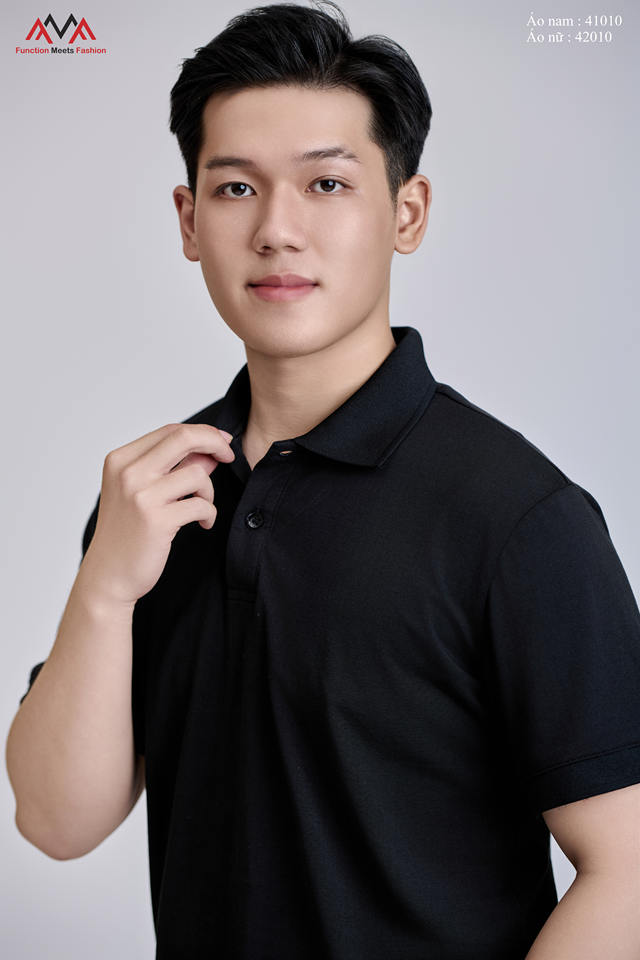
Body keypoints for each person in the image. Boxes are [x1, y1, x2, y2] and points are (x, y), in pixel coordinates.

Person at [7, 2, 640, 958]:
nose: (277, 229)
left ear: (406, 213)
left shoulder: (516, 516)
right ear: (188, 220)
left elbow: (626, 865)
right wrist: (104, 589)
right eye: (235, 188)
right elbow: (57, 822)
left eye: (327, 183)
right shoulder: (154, 495)